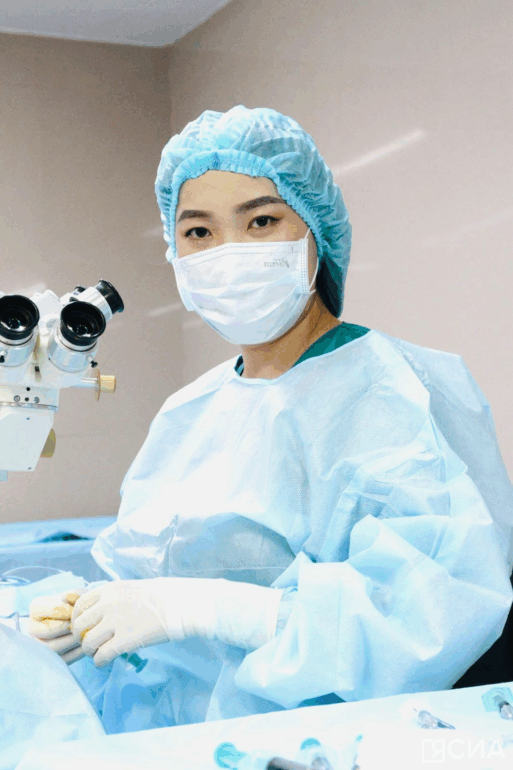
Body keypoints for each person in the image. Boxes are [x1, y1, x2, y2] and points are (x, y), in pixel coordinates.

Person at [29, 105, 513, 734]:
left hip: (323, 743)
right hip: (167, 738)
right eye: (198, 232)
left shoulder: (395, 392)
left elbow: (427, 617)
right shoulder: (188, 412)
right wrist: (84, 616)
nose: (228, 253)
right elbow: (140, 577)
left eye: (261, 221)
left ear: (315, 232)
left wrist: (212, 609)